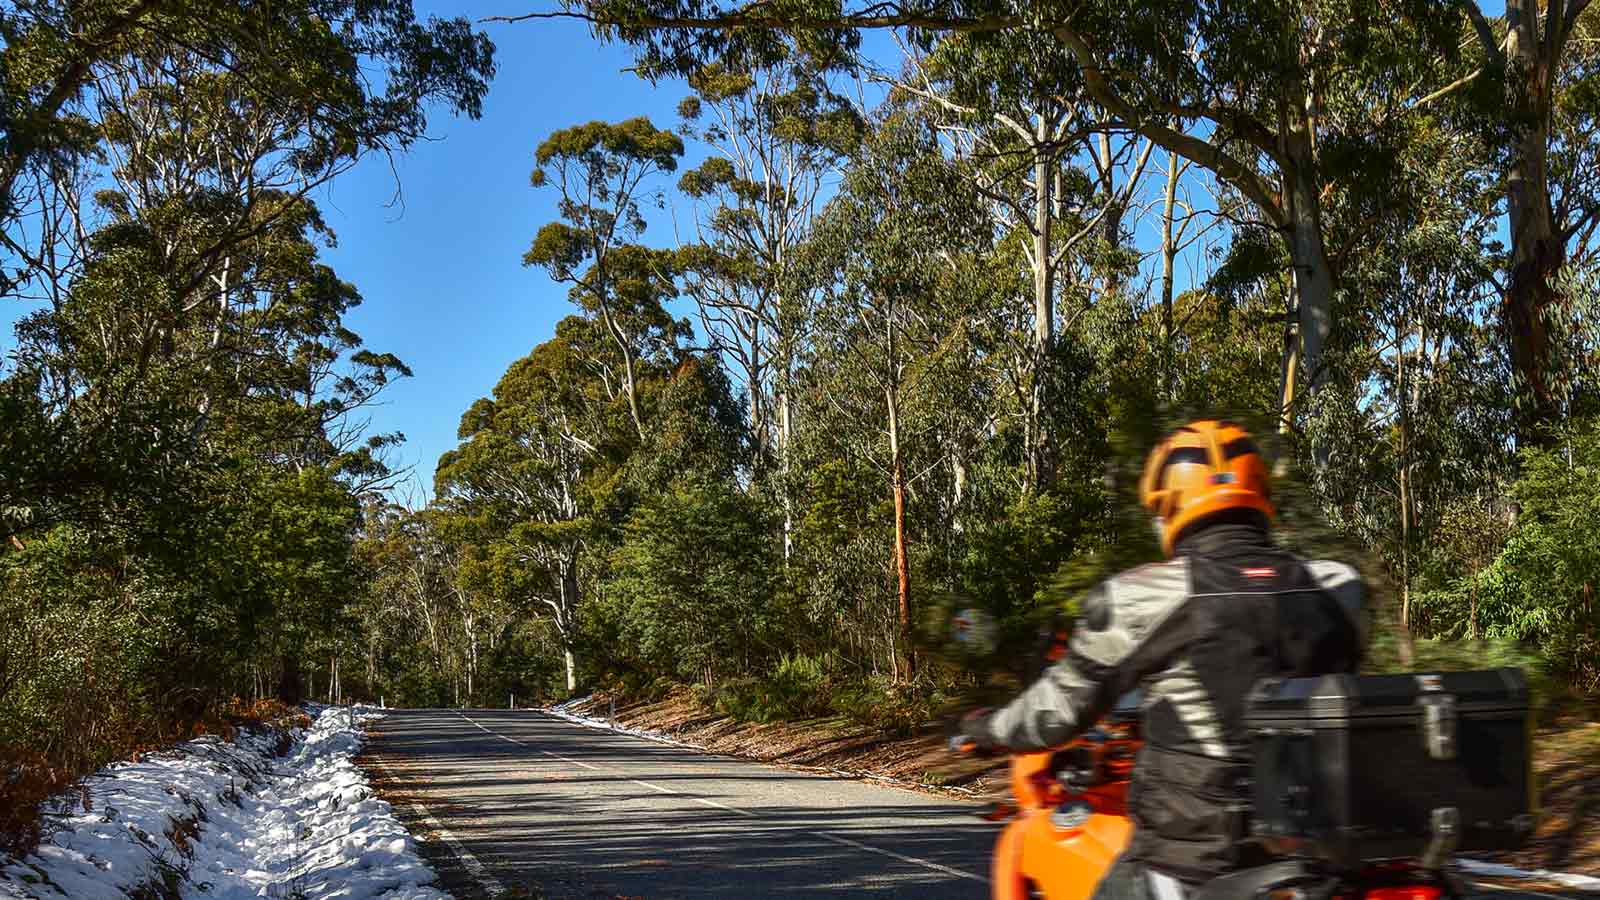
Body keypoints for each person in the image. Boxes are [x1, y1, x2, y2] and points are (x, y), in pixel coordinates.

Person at [959, 420, 1365, 900]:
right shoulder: (1338, 586)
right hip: (1326, 852)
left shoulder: (1142, 597)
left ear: (1167, 505)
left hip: (1196, 859)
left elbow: (1057, 712)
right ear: (1260, 493)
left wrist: (987, 728)